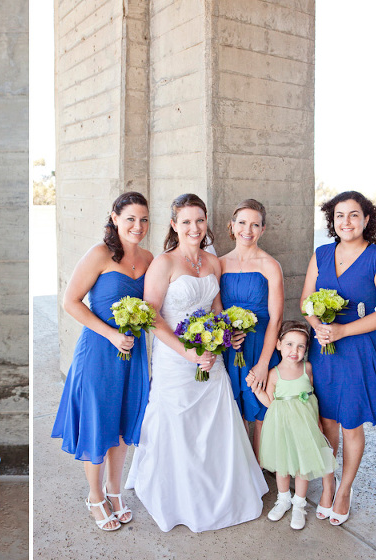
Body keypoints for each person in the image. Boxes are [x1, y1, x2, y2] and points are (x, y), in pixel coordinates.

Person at [125, 193, 267, 532]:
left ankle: (219, 487)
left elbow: (216, 310)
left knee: (213, 421)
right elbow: (152, 316)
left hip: (211, 356)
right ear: (174, 225)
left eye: (199, 221)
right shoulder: (164, 263)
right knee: (179, 422)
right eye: (186, 221)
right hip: (176, 359)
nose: (194, 228)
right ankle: (179, 495)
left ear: (207, 224)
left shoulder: (212, 262)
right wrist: (187, 352)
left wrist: (227, 336)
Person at [51, 192, 153, 531]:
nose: (137, 226)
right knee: (98, 421)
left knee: (124, 424)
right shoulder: (100, 254)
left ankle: (115, 491)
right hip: (99, 350)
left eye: (143, 219)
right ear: (114, 218)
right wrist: (110, 334)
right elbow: (71, 301)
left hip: (133, 353)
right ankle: (95, 496)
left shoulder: (150, 259)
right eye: (130, 219)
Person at [300, 190, 376, 526]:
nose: (346, 222)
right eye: (340, 215)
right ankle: (328, 484)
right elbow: (306, 302)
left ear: (367, 219)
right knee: (326, 421)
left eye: (354, 215)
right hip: (324, 346)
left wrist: (342, 331)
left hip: (358, 349)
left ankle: (345, 490)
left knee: (351, 422)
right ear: (332, 220)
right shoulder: (322, 254)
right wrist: (318, 326)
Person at [248, 321, 336, 530]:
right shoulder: (274, 373)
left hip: (305, 428)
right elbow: (271, 402)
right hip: (282, 428)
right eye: (289, 344)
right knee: (283, 467)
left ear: (306, 349)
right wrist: (256, 389)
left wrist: (317, 424)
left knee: (302, 468)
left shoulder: (307, 369)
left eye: (300, 346)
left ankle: (299, 504)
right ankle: (284, 499)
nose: (294, 351)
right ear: (278, 344)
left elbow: (314, 398)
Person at [220, 199, 283, 459]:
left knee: (259, 409)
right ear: (232, 226)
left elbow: (277, 319)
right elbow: (215, 309)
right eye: (242, 223)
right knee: (233, 406)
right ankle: (240, 469)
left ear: (263, 229)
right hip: (230, 346)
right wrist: (226, 335)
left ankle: (259, 467)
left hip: (260, 346)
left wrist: (263, 363)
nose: (248, 229)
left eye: (255, 224)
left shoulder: (270, 265)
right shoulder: (219, 263)